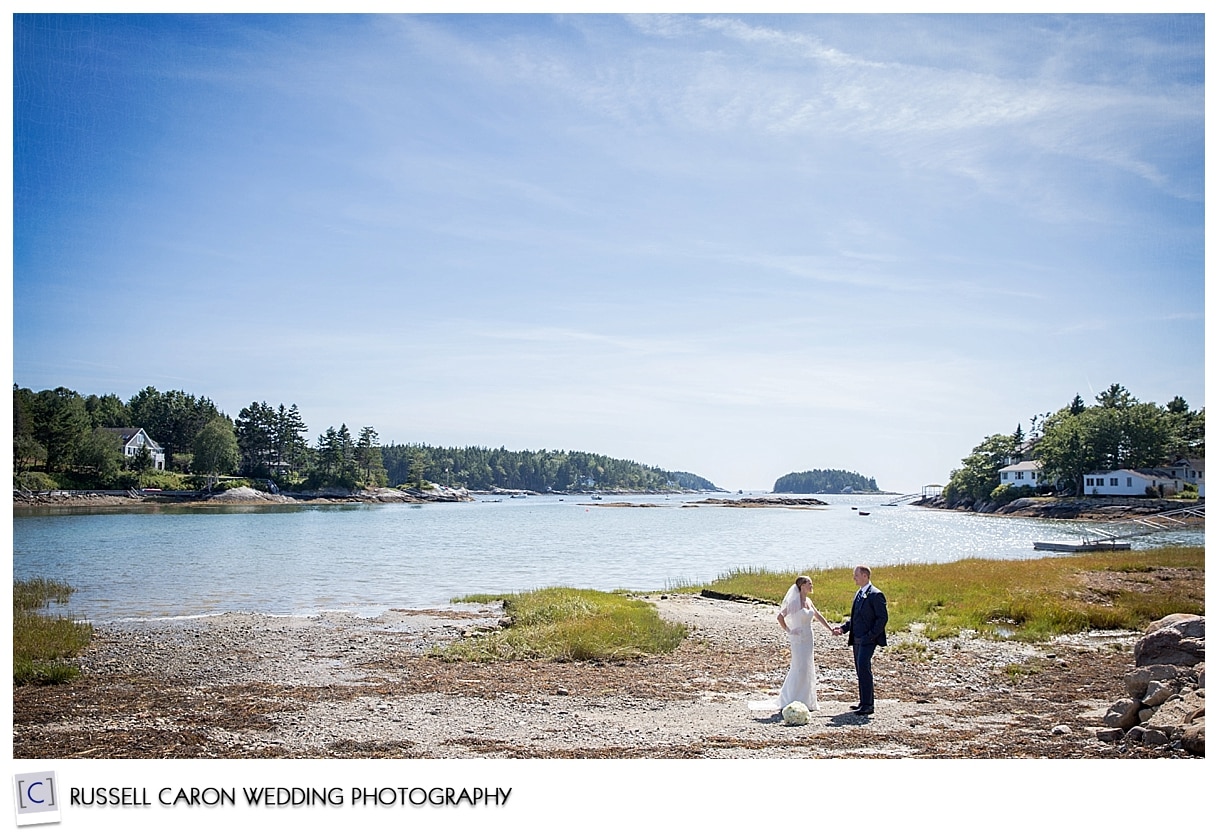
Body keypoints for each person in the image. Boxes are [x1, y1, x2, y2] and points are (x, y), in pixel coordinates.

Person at [833, 565, 888, 715]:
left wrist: (870, 635)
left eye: (856, 575)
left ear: (865, 575)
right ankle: (863, 701)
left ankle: (869, 705)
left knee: (864, 667)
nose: (854, 578)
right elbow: (855, 618)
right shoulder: (859, 593)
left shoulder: (876, 594)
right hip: (856, 638)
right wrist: (843, 629)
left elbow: (882, 618)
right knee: (859, 669)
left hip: (868, 639)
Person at [776, 575, 834, 712]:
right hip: (798, 638)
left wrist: (831, 629)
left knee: (808, 666)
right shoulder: (794, 602)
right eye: (809, 583)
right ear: (802, 585)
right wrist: (789, 630)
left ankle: (807, 700)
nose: (811, 586)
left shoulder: (808, 600)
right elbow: (780, 617)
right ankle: (791, 697)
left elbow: (818, 615)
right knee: (799, 667)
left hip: (809, 638)